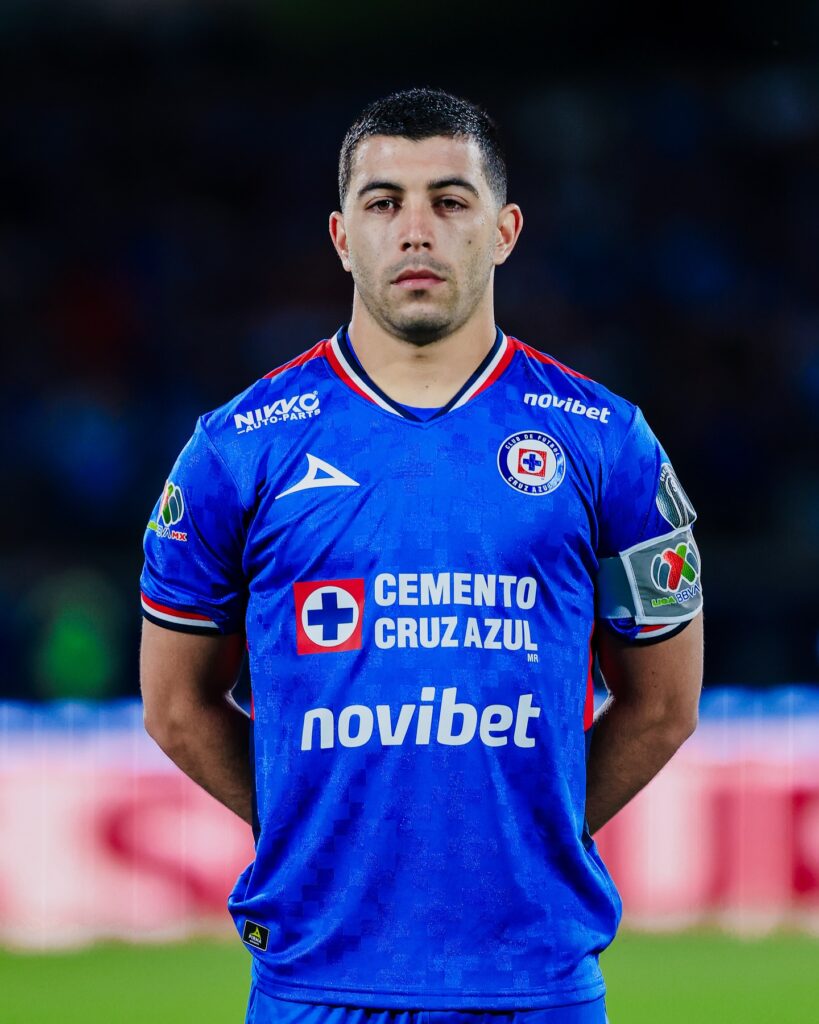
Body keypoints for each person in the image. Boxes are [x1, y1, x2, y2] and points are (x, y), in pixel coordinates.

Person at [140, 87, 703, 1024]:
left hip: (535, 985)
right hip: (314, 982)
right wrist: (309, 829)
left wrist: (534, 832)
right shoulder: (236, 448)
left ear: (504, 229)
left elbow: (664, 705)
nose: (414, 231)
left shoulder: (608, 441)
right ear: (340, 236)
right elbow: (174, 705)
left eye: (449, 201)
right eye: (382, 202)